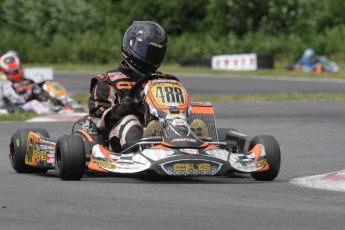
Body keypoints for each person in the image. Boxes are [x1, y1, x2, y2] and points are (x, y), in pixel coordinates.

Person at [88, 21, 207, 152]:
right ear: (131, 46)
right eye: (148, 51)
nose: (152, 57)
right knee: (130, 120)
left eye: (156, 53)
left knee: (197, 123)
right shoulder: (108, 81)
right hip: (120, 138)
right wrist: (122, 109)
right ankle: (143, 149)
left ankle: (197, 146)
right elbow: (97, 118)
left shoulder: (167, 80)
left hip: (166, 129)